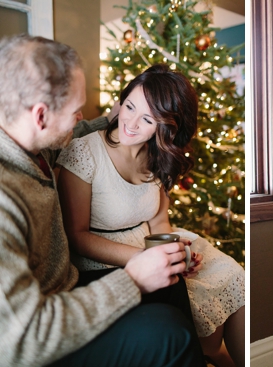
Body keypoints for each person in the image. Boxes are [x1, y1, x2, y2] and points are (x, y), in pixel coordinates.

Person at [0, 34, 205, 367]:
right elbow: (23, 340)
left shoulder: (31, 146)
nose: (84, 117)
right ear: (40, 116)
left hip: (64, 291)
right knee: (170, 333)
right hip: (38, 338)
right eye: (76, 110)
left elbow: (78, 132)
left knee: (172, 286)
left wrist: (130, 111)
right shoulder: (5, 196)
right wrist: (134, 279)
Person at [56, 63, 245, 367]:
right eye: (129, 107)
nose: (130, 123)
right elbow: (76, 237)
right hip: (98, 257)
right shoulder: (83, 153)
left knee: (233, 272)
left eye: (147, 119)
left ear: (165, 127)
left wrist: (174, 249)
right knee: (175, 287)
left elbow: (158, 221)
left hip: (147, 242)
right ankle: (205, 353)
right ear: (122, 100)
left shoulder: (159, 155)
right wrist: (147, 259)